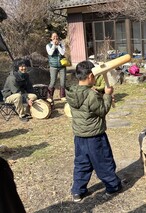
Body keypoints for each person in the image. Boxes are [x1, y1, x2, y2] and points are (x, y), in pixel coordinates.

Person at [66, 61, 121, 203]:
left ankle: (78, 191)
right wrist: (107, 96)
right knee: (103, 161)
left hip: (79, 136)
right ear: (90, 76)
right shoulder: (91, 95)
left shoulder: (72, 92)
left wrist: (101, 96)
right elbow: (102, 110)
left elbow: (87, 107)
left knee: (82, 163)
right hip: (95, 136)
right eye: (95, 76)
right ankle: (113, 186)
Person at [46, 32, 67, 102]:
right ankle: (49, 96)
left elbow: (63, 53)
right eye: (54, 37)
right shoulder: (48, 45)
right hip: (53, 66)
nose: (55, 38)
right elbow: (50, 53)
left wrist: (58, 46)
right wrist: (54, 45)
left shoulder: (62, 44)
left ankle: (62, 96)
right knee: (53, 81)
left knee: (63, 81)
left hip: (62, 66)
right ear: (51, 38)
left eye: (56, 36)